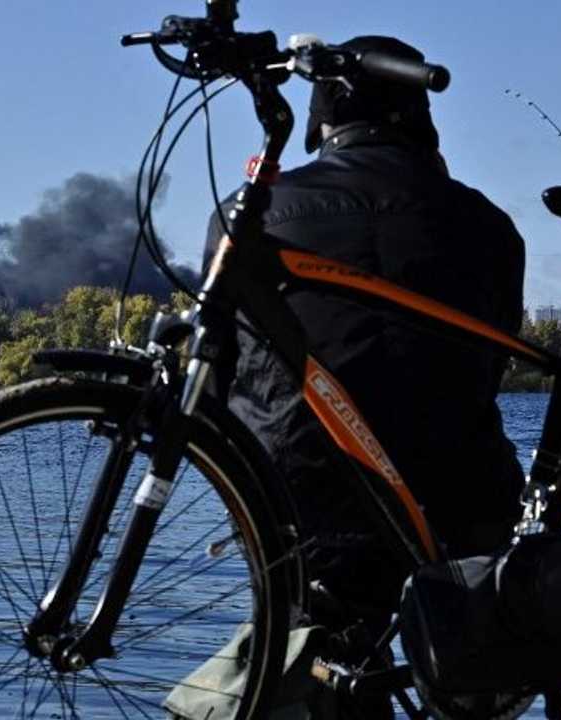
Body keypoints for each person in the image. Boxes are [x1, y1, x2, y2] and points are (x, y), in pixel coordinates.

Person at [167, 36, 527, 719]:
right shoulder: (492, 227)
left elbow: (211, 387)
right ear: (422, 117)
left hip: (300, 510)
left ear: (320, 122)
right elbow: (487, 371)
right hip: (457, 508)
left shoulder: (253, 215)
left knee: (322, 649)